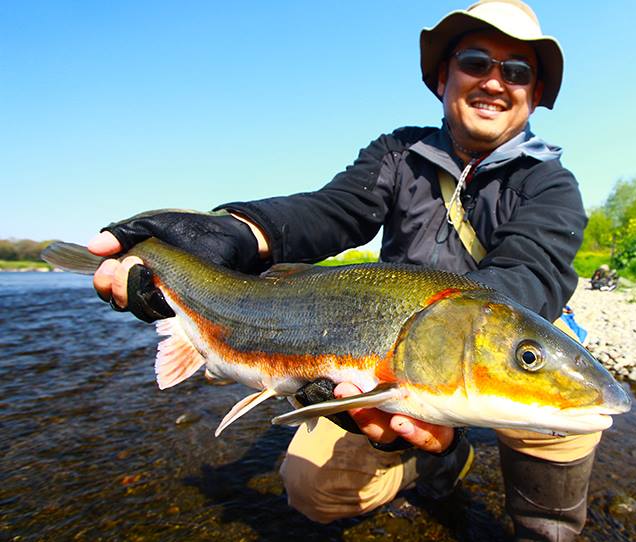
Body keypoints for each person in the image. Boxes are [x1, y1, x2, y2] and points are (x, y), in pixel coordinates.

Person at [90, 1, 602, 539]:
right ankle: (438, 461)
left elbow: (529, 276)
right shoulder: (398, 154)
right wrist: (241, 231)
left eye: (517, 71)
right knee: (311, 489)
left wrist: (446, 362)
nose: (495, 81)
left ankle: (541, 520)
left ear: (535, 94)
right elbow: (332, 212)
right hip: (382, 348)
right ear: (442, 78)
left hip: (498, 354)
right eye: (476, 62)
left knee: (570, 421)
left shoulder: (552, 184)